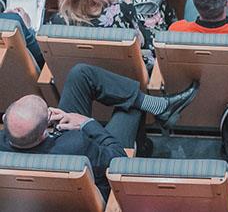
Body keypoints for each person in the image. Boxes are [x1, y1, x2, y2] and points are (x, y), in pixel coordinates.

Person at [0, 64, 198, 198]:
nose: (52, 110)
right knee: (129, 108)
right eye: (49, 112)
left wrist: (53, 126)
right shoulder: (77, 146)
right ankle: (144, 146)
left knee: (81, 74)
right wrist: (87, 123)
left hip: (49, 156)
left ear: (4, 119)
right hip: (89, 180)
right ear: (44, 132)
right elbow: (117, 159)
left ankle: (160, 107)